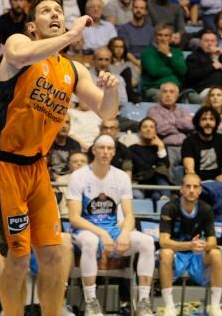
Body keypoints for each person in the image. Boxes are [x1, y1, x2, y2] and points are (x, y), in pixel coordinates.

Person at [0, 0, 122, 316]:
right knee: (19, 255)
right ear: (31, 25)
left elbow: (107, 110)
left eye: (58, 11)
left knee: (55, 252)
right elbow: (18, 54)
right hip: (0, 164)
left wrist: (111, 89)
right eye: (45, 11)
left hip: (36, 168)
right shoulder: (19, 43)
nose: (54, 14)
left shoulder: (73, 69)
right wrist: (70, 35)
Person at [67, 134, 156, 316]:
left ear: (114, 152)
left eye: (109, 148)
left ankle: (143, 303)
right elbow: (74, 218)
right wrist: (102, 233)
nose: (105, 152)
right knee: (91, 241)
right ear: (93, 150)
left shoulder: (121, 176)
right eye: (101, 148)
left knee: (147, 242)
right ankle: (91, 302)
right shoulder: (79, 176)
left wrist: (124, 233)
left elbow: (130, 214)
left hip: (113, 230)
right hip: (85, 230)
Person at [158, 173, 222, 316]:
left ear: (200, 190)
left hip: (196, 255)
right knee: (165, 252)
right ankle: (169, 306)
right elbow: (164, 241)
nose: (191, 190)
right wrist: (189, 245)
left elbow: (213, 241)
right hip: (176, 255)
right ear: (181, 189)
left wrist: (202, 245)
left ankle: (215, 307)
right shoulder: (169, 208)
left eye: (195, 187)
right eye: (188, 186)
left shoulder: (206, 209)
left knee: (216, 253)